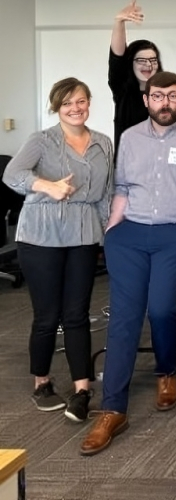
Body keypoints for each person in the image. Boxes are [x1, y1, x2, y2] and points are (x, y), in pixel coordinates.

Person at [80, 71, 176, 456]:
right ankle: (113, 409)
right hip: (129, 234)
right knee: (124, 317)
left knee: (161, 308)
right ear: (147, 100)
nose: (165, 103)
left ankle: (166, 371)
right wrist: (112, 228)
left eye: (172, 96)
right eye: (157, 96)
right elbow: (122, 186)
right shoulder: (130, 137)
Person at [3, 78, 113, 422]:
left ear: (88, 102)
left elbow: (106, 193)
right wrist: (45, 185)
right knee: (48, 315)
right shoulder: (42, 140)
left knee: (77, 314)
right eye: (67, 103)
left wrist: (108, 233)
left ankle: (82, 388)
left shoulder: (104, 143)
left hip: (82, 232)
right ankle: (42, 382)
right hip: (41, 234)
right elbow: (11, 173)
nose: (75, 108)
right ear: (57, 107)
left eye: (80, 101)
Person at [108, 0, 163, 154]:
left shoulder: (164, 94)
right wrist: (119, 23)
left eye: (153, 60)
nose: (148, 65)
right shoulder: (123, 91)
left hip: (160, 168)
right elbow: (117, 58)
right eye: (141, 60)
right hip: (128, 169)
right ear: (130, 63)